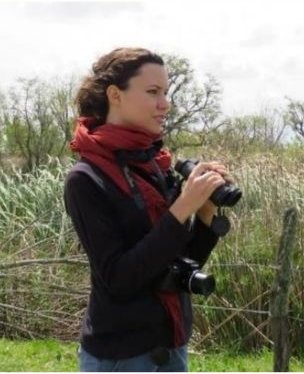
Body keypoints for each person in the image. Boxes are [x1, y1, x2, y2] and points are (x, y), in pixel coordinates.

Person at [64, 47, 232, 371]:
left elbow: (181, 265)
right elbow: (119, 279)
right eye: (153, 92)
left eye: (166, 92)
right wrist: (182, 207)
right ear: (115, 95)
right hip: (121, 356)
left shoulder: (154, 164)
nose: (165, 103)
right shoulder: (86, 179)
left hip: (171, 346)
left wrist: (205, 212)